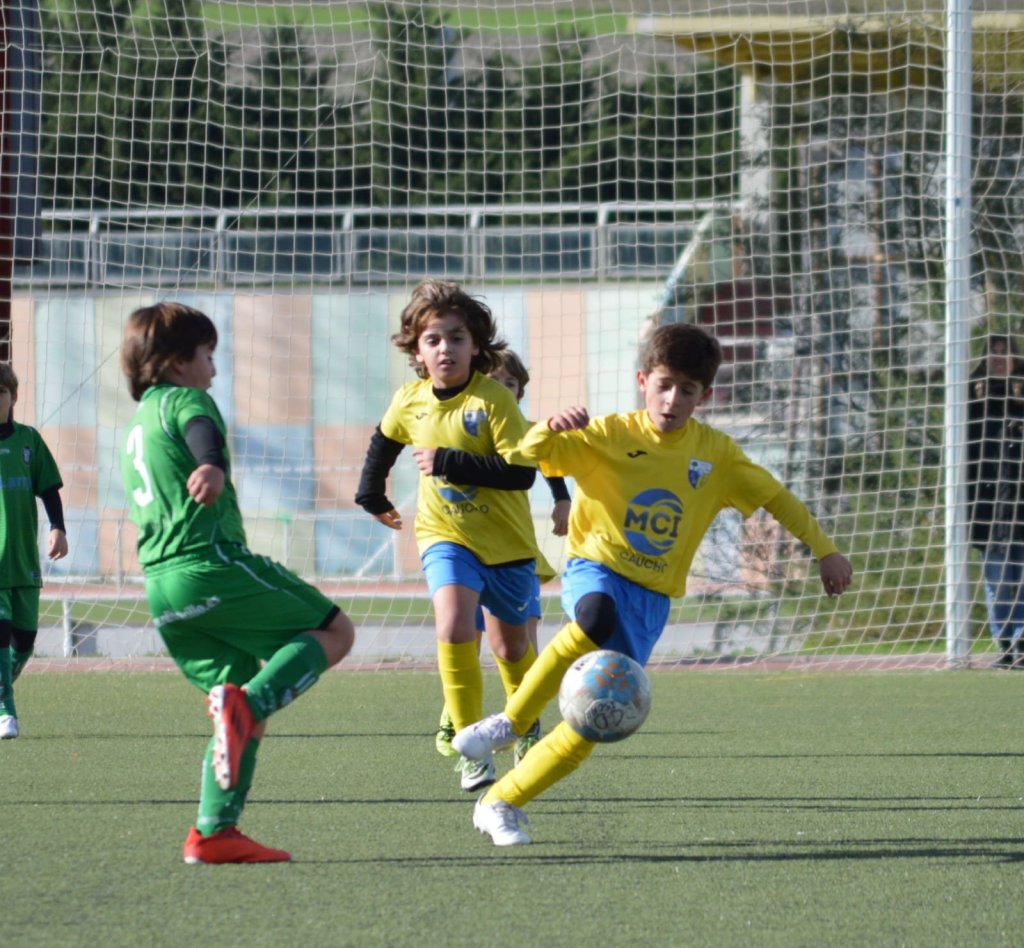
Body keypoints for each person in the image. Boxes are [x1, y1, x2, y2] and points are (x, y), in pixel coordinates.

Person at [453, 322, 854, 845]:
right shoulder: (611, 434)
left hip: (651, 601)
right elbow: (523, 454)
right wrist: (550, 427)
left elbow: (777, 497)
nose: (672, 400)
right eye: (664, 385)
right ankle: (509, 723)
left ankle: (500, 802)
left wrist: (825, 550)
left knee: (593, 721)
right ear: (643, 380)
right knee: (595, 618)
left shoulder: (717, 455)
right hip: (596, 568)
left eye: (687, 390)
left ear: (703, 396)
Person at [120, 302, 355, 864]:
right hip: (210, 563)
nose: (214, 369)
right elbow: (201, 428)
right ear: (179, 361)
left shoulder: (137, 423)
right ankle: (245, 708)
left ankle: (214, 832)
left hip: (162, 589)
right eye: (208, 355)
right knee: (337, 632)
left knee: (242, 695)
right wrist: (213, 464)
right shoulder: (185, 399)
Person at [355, 280, 547, 793]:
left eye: (457, 338)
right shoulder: (409, 400)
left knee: (510, 648)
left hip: (506, 545)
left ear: (476, 345)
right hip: (444, 535)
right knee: (454, 625)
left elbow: (520, 474)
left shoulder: (494, 400)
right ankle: (469, 746)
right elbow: (383, 442)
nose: (446, 349)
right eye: (433, 339)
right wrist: (370, 493)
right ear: (416, 350)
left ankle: (525, 724)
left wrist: (450, 462)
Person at [432, 348, 572, 764]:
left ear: (520, 392)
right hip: (468, 549)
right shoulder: (463, 427)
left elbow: (547, 462)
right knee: (466, 636)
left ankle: (526, 723)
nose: (503, 389)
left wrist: (563, 499)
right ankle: (455, 717)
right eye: (494, 381)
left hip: (515, 553)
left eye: (510, 383)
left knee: (522, 641)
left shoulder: (524, 431)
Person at [0, 363, 68, 740]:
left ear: (14, 397)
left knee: (24, 641)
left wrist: (58, 527)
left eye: (1, 393)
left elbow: (49, 489)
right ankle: (6, 711)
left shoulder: (29, 440)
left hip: (23, 559)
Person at [966, 334, 1024, 668]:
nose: (999, 357)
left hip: (1020, 507)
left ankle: (1022, 643)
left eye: (1005, 352)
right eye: (993, 352)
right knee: (998, 584)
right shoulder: (972, 399)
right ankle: (1005, 646)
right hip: (989, 513)